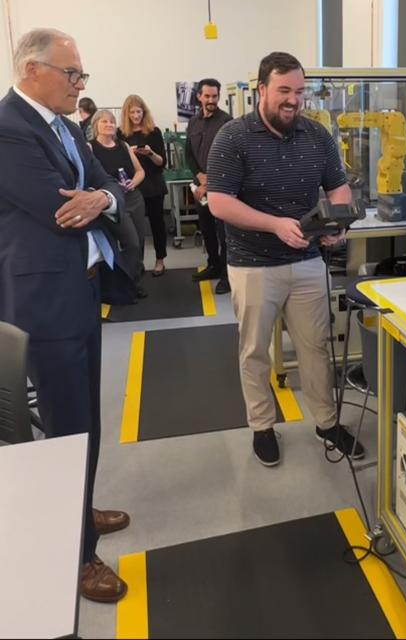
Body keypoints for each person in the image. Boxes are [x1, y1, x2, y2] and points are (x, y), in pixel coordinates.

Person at [0, 29, 133, 602]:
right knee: (62, 429)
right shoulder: (9, 128)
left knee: (86, 420)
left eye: (82, 75)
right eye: (72, 74)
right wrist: (94, 201)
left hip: (80, 292)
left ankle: (80, 510)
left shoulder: (68, 127)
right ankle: (76, 556)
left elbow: (107, 187)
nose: (80, 85)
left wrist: (102, 200)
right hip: (44, 303)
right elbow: (58, 210)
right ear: (32, 70)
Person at [207, 52, 365, 466]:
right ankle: (262, 426)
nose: (294, 100)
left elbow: (338, 188)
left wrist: (338, 222)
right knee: (255, 350)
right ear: (261, 89)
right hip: (252, 263)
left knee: (316, 347)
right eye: (284, 91)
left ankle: (327, 423)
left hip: (308, 261)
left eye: (300, 91)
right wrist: (275, 224)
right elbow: (220, 203)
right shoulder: (232, 137)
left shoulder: (316, 135)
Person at [91, 109, 148, 298]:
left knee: (140, 241)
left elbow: (140, 172)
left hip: (134, 198)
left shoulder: (123, 146)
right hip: (113, 203)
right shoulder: (90, 148)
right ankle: (128, 283)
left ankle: (135, 278)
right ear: (96, 125)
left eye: (112, 121)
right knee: (130, 242)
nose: (109, 125)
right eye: (104, 121)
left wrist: (134, 183)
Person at [186, 78, 232, 294]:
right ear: (199, 97)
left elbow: (231, 157)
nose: (211, 100)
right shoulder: (193, 122)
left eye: (215, 96)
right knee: (206, 230)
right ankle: (213, 265)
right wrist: (199, 176)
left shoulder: (227, 122)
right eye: (207, 96)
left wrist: (210, 180)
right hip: (200, 189)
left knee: (225, 234)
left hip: (222, 189)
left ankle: (227, 276)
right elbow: (188, 153)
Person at [119, 94, 168, 276]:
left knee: (157, 224)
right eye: (131, 112)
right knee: (134, 230)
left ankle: (160, 260)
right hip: (132, 188)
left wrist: (150, 153)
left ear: (144, 112)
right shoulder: (120, 135)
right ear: (126, 113)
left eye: (138, 111)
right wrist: (128, 153)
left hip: (153, 186)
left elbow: (162, 162)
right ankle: (137, 264)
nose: (136, 115)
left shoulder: (153, 132)